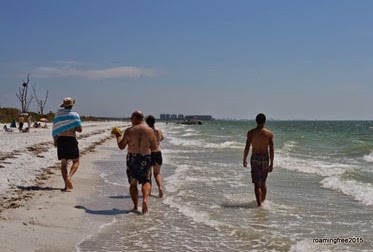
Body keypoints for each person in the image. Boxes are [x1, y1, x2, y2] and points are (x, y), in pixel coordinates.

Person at [112, 111, 157, 214]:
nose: (130, 120)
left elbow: (121, 146)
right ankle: (145, 200)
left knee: (133, 183)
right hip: (145, 157)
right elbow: (154, 147)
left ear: (136, 118)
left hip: (132, 158)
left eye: (131, 118)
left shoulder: (129, 131)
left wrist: (118, 135)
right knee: (146, 181)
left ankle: (136, 206)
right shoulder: (150, 130)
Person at [243, 113, 274, 207]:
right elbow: (271, 150)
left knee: (257, 184)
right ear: (265, 121)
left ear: (256, 121)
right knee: (263, 182)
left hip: (255, 158)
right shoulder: (269, 134)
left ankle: (259, 205)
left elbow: (247, 147)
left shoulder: (251, 133)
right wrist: (272, 163)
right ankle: (262, 203)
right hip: (265, 158)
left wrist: (244, 159)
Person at [52, 97, 82, 192]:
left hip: (61, 140)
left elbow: (56, 129)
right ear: (72, 105)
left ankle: (66, 186)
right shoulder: (75, 115)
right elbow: (80, 130)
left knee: (63, 164)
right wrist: (72, 125)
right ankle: (69, 177)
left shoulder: (58, 115)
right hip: (71, 140)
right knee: (76, 161)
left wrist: (55, 140)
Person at [146, 115, 165, 198]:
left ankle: (149, 192)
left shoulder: (146, 131)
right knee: (157, 174)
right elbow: (161, 138)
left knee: (148, 174)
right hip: (157, 152)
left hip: (148, 153)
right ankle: (160, 188)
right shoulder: (158, 130)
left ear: (147, 122)